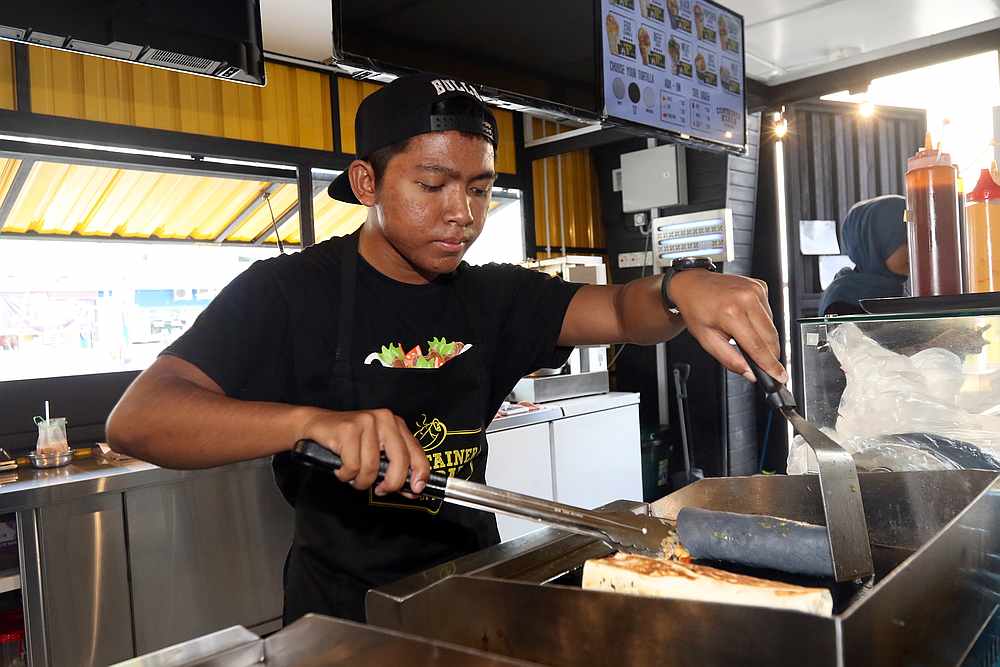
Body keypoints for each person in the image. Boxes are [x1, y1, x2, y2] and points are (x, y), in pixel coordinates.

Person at [106, 73, 785, 624]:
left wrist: (678, 288)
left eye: (481, 188)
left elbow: (617, 308)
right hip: (344, 615)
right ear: (367, 183)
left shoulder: (491, 298)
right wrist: (308, 421)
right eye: (431, 186)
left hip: (471, 588)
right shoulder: (290, 291)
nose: (461, 212)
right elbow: (139, 418)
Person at [819, 195, 908, 316]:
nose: (914, 248)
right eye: (904, 240)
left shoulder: (898, 291)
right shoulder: (841, 302)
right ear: (875, 242)